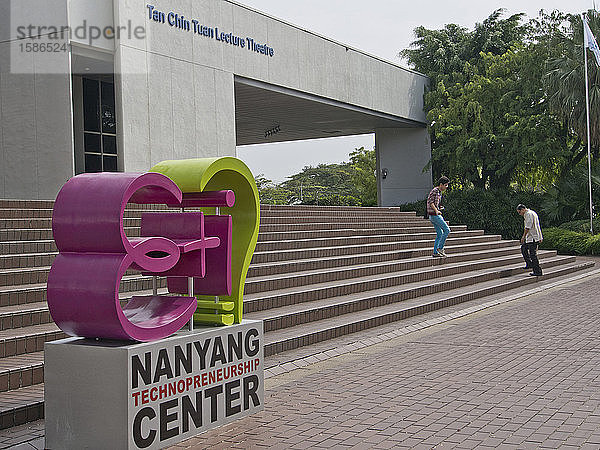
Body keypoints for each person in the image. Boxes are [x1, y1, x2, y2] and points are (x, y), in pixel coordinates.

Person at [516, 204, 543, 276]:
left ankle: (537, 271)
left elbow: (528, 227)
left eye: (519, 212)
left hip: (532, 238)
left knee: (533, 255)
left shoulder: (528, 214)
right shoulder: (532, 213)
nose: (520, 214)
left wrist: (523, 237)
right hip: (533, 237)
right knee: (524, 249)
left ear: (523, 209)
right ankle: (529, 264)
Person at [427, 176, 450, 257]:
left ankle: (435, 252)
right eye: (446, 185)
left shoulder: (439, 192)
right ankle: (440, 248)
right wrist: (436, 210)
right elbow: (430, 202)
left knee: (440, 234)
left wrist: (439, 208)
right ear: (441, 184)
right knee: (447, 230)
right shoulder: (435, 191)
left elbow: (434, 203)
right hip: (434, 215)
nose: (446, 187)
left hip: (433, 215)